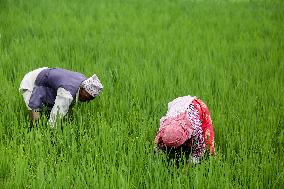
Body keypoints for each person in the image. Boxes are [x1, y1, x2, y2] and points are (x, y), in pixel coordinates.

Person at [19, 67, 103, 128]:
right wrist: (54, 138)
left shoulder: (83, 81)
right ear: (83, 88)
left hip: (46, 76)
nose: (87, 101)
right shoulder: (67, 93)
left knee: (56, 111)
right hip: (32, 82)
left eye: (90, 99)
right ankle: (31, 135)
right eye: (87, 97)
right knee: (36, 118)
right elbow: (54, 121)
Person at [154, 96, 215, 164]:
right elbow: (158, 141)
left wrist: (194, 159)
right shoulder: (164, 125)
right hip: (178, 104)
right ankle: (181, 148)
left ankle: (211, 157)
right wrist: (158, 154)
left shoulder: (194, 127)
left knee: (207, 136)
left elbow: (200, 143)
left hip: (197, 106)